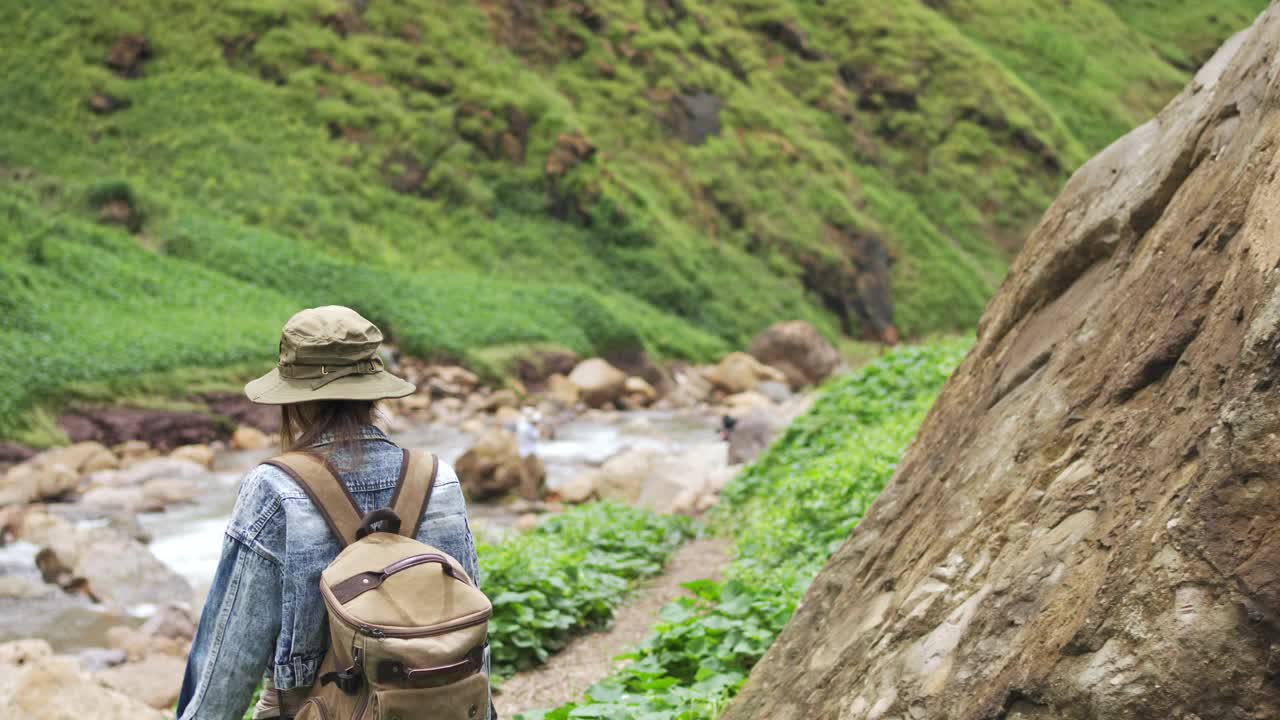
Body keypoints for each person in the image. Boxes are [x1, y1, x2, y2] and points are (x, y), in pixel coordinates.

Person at [175, 306, 489, 719]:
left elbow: (229, 661)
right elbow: (468, 634)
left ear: (295, 401)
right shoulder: (439, 480)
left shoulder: (274, 490)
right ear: (375, 392)